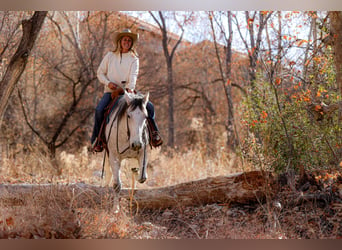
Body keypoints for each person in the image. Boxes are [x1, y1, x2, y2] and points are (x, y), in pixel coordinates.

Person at [91, 29, 163, 152]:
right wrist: (109, 83)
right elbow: (100, 73)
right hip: (110, 92)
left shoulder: (134, 58)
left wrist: (127, 90)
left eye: (129, 40)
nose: (127, 42)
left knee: (149, 107)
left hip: (128, 92)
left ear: (131, 43)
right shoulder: (110, 56)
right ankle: (97, 140)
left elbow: (133, 77)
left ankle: (154, 135)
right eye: (125, 39)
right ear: (120, 41)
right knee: (99, 110)